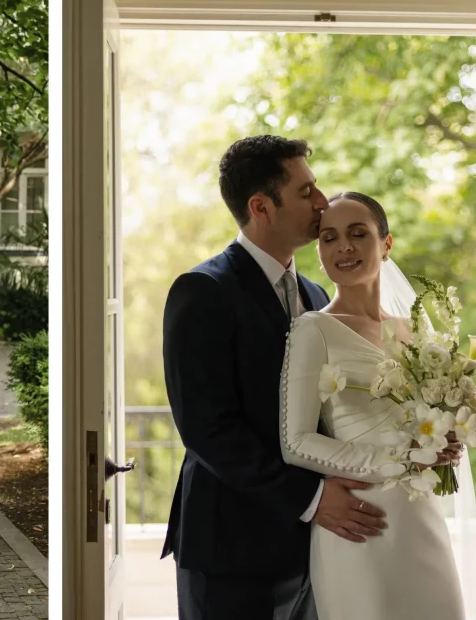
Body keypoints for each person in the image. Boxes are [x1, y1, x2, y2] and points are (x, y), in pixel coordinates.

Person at [161, 135, 389, 619]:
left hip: (312, 549)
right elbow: (208, 428)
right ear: (261, 206)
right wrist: (310, 498)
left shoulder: (313, 292)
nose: (322, 202)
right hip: (230, 552)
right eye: (306, 191)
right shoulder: (203, 291)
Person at [280, 191, 466, 619]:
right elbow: (296, 441)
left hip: (422, 522)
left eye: (357, 233)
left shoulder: (417, 332)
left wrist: (449, 443)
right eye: (329, 237)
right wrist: (397, 462)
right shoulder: (314, 330)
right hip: (360, 520)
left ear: (386, 243)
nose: (343, 246)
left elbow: (434, 419)